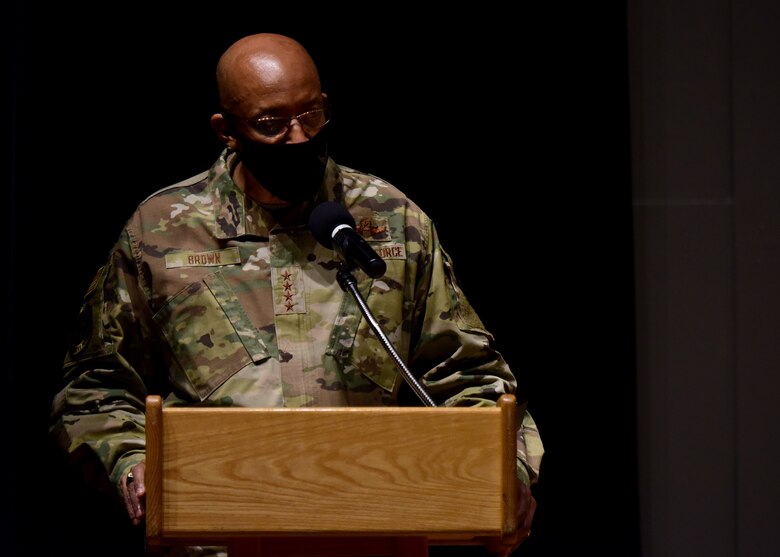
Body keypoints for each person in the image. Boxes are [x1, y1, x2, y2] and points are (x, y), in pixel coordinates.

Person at [49, 33, 544, 556]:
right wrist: (133, 463)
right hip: (218, 536)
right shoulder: (161, 231)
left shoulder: (391, 221)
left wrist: (505, 472)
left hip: (376, 531)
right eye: (271, 123)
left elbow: (471, 377)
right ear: (227, 130)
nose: (298, 136)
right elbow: (94, 390)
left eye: (312, 115)